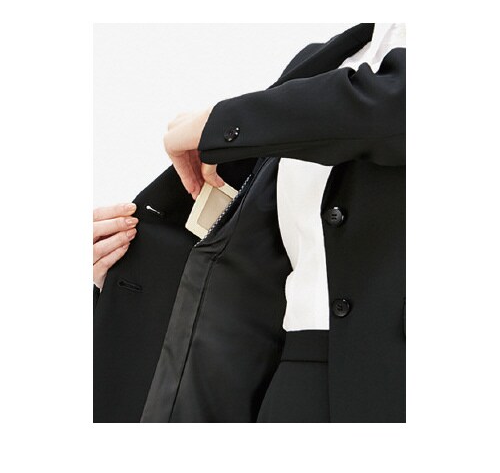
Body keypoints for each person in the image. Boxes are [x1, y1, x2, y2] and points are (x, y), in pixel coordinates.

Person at [94, 23, 406, 422]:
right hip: (292, 382)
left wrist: (221, 122)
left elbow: (392, 107)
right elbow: (242, 262)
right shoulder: (328, 60)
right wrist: (123, 268)